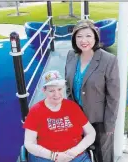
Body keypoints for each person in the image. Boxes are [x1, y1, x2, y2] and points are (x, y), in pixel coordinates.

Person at [65, 20, 120, 162]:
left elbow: (113, 96)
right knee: (81, 155)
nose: (84, 40)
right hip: (78, 120)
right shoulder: (71, 55)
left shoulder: (108, 60)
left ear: (95, 37)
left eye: (88, 36)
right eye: (79, 36)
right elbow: (68, 86)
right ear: (74, 39)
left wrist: (109, 124)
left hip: (99, 121)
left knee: (102, 156)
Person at [23, 70, 96, 162]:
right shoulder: (36, 111)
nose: (57, 94)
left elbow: (91, 133)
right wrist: (54, 156)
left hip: (75, 156)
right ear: (44, 91)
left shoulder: (72, 107)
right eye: (51, 91)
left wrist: (74, 151)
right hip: (47, 158)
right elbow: (29, 143)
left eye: (60, 89)